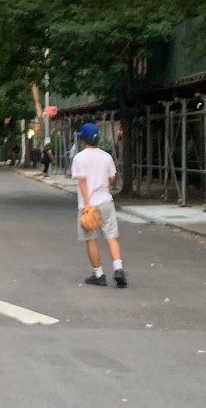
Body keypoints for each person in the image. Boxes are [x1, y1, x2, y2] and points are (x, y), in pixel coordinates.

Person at [70, 122, 127, 288]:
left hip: (88, 205)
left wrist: (87, 205)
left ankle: (99, 274)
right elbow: (112, 179)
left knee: (91, 239)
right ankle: (118, 267)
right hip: (106, 201)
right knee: (111, 236)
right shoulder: (106, 156)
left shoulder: (79, 158)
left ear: (83, 139)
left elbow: (82, 182)